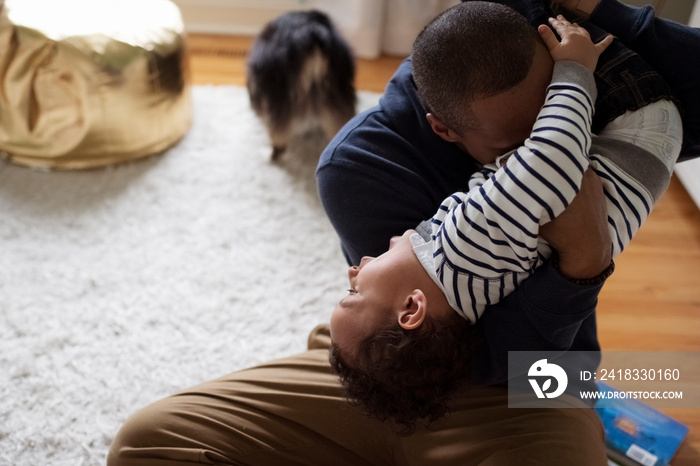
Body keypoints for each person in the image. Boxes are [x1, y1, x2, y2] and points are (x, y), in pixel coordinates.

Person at [108, 1, 700, 464]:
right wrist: (583, 259)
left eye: (551, 115)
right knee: (148, 441)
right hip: (387, 368)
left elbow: (512, 360)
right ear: (444, 129)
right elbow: (428, 338)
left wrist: (602, 11)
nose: (541, 151)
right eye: (512, 148)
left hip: (534, 373)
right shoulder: (360, 170)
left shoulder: (546, 68)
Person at [327, 3, 683, 432]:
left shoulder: (457, 290)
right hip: (634, 117)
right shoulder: (459, 246)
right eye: (352, 292)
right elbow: (551, 157)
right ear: (411, 307)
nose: (352, 267)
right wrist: (572, 72)